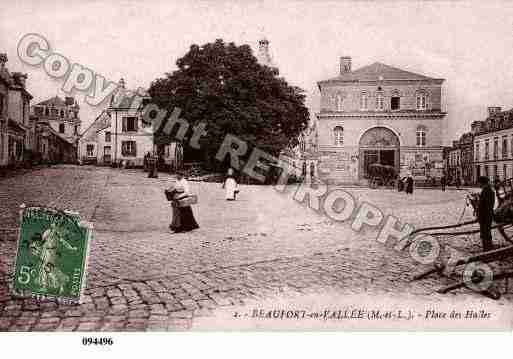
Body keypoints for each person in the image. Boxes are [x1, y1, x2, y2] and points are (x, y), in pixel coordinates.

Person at [478, 176, 495, 251]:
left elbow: (484, 204)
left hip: (485, 215)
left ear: (482, 183)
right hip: (487, 214)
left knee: (485, 232)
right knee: (486, 232)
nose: (479, 185)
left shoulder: (486, 190)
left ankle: (487, 249)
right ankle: (488, 247)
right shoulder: (488, 190)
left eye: (479, 183)